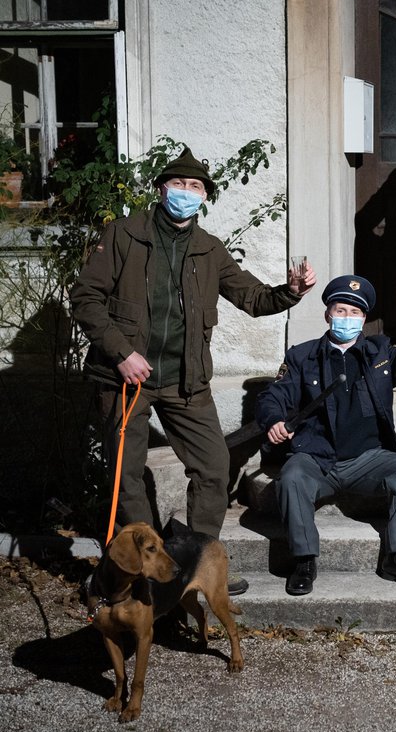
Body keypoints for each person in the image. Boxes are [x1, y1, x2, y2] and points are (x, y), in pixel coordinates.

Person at [71, 147, 317, 595]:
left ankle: (199, 562)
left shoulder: (208, 248)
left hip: (186, 382)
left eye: (196, 187)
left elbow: (253, 298)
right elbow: (85, 298)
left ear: (205, 197)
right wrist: (122, 353)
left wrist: (291, 291)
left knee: (213, 465)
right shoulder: (125, 235)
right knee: (127, 473)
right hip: (128, 379)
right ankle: (145, 571)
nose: (187, 193)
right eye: (179, 184)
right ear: (161, 188)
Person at [255, 275, 396, 596]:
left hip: (367, 458)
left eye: (355, 313)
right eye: (340, 311)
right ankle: (304, 561)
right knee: (292, 476)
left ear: (364, 319)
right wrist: (273, 420)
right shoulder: (302, 356)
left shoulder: (379, 352)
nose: (347, 318)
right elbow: (274, 395)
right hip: (317, 458)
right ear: (328, 314)